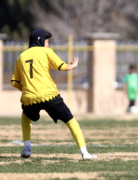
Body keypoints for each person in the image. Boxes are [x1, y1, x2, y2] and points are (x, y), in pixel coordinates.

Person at [11, 29, 97, 159]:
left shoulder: (21, 57)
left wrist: (28, 90)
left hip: (29, 99)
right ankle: (85, 153)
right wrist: (72, 65)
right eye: (47, 41)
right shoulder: (46, 52)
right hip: (49, 96)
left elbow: (14, 82)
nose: (48, 45)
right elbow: (62, 66)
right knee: (70, 120)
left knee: (26, 116)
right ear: (40, 40)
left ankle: (27, 148)